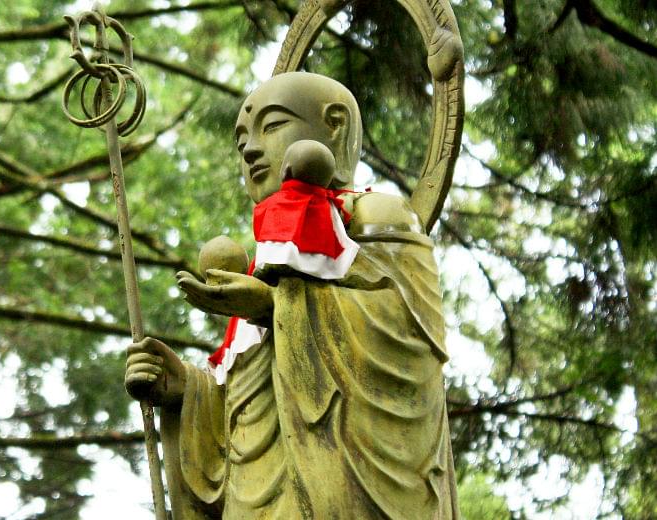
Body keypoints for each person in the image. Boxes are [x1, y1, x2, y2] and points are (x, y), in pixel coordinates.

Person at [125, 72, 459, 519]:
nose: (249, 149)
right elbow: (250, 397)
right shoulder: (267, 253)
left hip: (348, 485)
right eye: (242, 138)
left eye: (272, 125)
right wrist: (186, 392)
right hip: (259, 494)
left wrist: (271, 306)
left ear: (334, 125)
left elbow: (406, 340)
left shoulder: (374, 214)